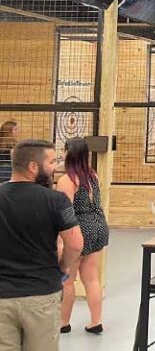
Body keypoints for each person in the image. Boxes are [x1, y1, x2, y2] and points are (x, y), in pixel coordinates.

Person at [0, 139, 83, 350]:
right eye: (52, 162)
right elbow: (75, 244)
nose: (56, 167)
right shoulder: (56, 200)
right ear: (33, 166)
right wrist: (63, 266)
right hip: (41, 295)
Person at [57, 138, 109, 335]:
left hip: (79, 229)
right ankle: (96, 321)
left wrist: (61, 241)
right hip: (98, 226)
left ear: (68, 153)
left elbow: (65, 213)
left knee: (67, 280)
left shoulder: (66, 180)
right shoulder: (92, 175)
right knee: (91, 278)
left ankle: (63, 322)